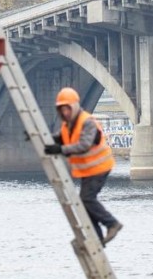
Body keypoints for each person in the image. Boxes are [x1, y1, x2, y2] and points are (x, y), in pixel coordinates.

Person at [44, 87, 123, 245]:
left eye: (67, 108)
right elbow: (61, 138)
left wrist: (60, 149)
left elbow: (84, 145)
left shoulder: (87, 122)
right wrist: (42, 137)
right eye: (62, 109)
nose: (65, 113)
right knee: (85, 203)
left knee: (87, 199)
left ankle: (112, 223)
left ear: (73, 107)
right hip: (88, 170)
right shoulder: (68, 126)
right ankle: (97, 238)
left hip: (100, 167)